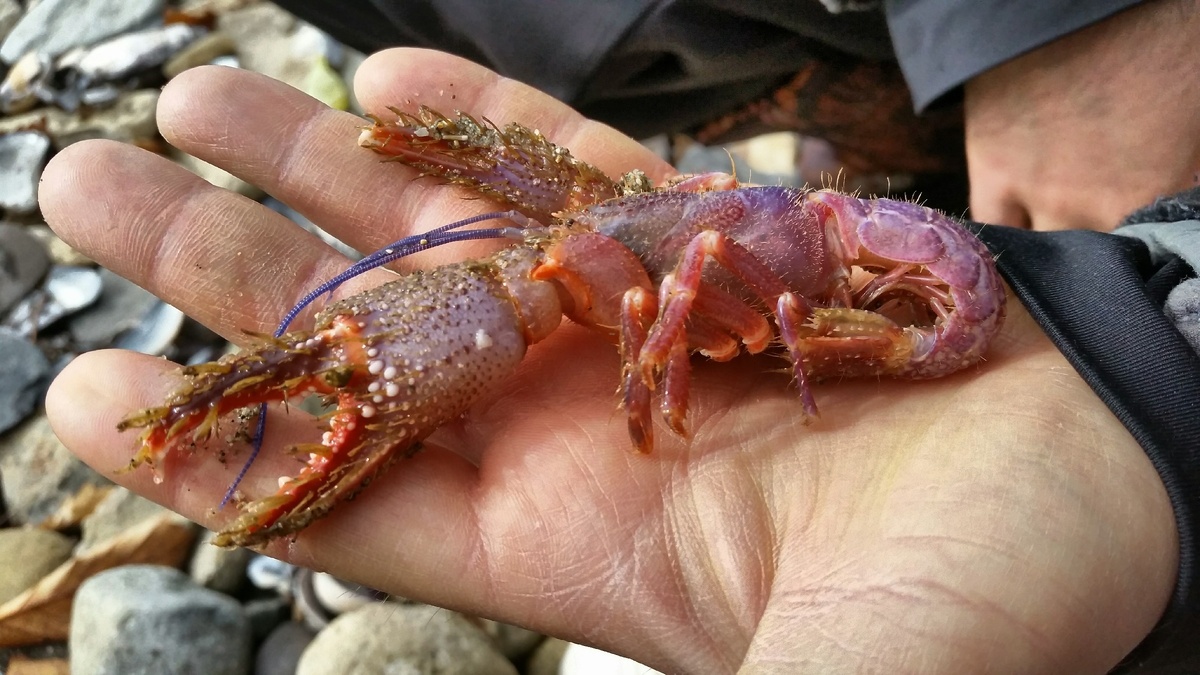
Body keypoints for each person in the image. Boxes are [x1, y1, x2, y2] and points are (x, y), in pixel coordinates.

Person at [36, 4, 1200, 675]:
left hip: (910, 274)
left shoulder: (673, 266)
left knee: (614, 257)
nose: (558, 251)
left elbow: (686, 269)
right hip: (844, 189)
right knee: (595, 227)